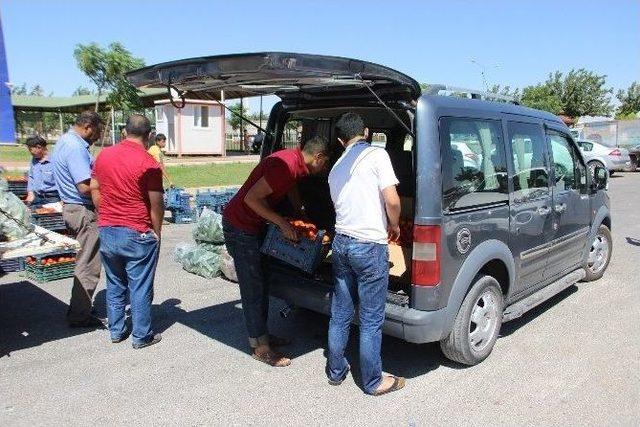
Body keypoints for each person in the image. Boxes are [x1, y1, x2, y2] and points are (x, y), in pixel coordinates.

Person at [222, 136, 330, 367]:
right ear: (318, 157)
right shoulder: (286, 166)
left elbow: (289, 187)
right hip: (241, 227)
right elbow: (252, 198)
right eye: (325, 164)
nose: (324, 169)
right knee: (252, 287)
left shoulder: (294, 163)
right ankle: (260, 349)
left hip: (253, 226)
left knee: (261, 282)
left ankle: (264, 337)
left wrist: (300, 212)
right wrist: (281, 222)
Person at [326, 112, 405, 396]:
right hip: (370, 245)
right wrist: (394, 226)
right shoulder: (376, 155)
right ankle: (373, 381)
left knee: (340, 313)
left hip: (342, 243)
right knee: (371, 320)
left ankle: (336, 371)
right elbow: (392, 200)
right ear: (367, 131)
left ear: (340, 140)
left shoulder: (336, 167)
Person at [91, 114, 164, 349]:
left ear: (124, 132)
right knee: (139, 285)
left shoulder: (104, 155)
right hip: (136, 231)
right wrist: (156, 231)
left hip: (107, 229)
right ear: (149, 135)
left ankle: (116, 330)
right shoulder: (149, 163)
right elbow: (157, 204)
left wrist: (105, 214)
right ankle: (141, 336)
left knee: (114, 283)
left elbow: (95, 188)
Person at [50, 111, 105, 328]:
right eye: (98, 132)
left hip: (72, 208)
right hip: (82, 209)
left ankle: (79, 307)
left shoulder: (63, 141)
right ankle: (80, 315)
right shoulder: (75, 148)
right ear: (88, 127)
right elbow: (84, 186)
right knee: (89, 263)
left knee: (84, 259)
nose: (98, 137)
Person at [24, 135, 59, 206]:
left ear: (39, 147)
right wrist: (30, 193)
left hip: (53, 198)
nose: (30, 153)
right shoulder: (34, 159)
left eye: (31, 150)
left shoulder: (56, 160)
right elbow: (31, 177)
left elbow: (62, 181)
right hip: (38, 197)